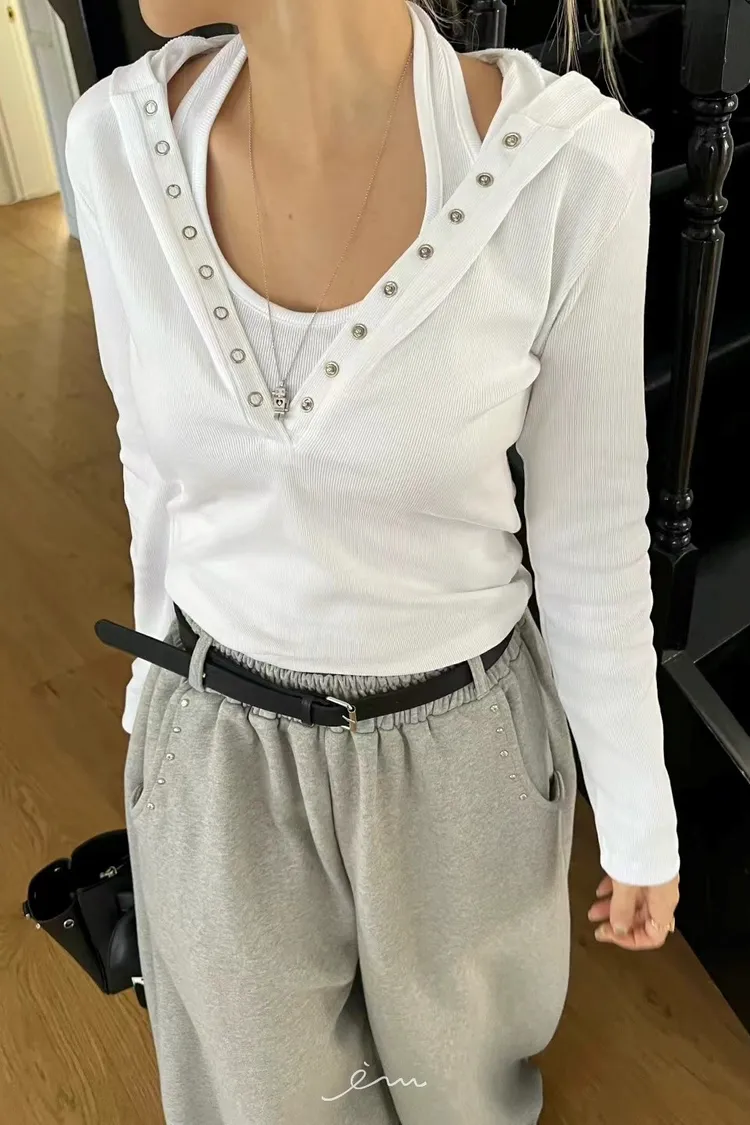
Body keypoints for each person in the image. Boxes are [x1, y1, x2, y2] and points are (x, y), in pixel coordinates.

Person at [65, 1, 681, 1122]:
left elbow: (590, 535)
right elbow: (149, 465)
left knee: (462, 1099)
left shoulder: (569, 170)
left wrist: (639, 817)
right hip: (216, 752)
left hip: (461, 764)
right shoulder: (112, 141)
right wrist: (150, 717)